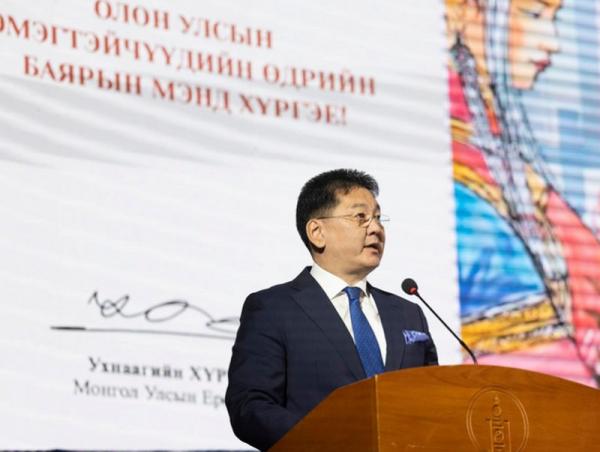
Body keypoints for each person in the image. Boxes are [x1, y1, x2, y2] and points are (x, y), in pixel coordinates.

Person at [225, 169, 438, 451]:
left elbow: (436, 404)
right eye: (360, 217)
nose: (376, 228)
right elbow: (251, 407)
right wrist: (327, 441)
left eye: (378, 217)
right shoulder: (273, 308)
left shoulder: (409, 313)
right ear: (317, 232)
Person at [447, 0, 600, 385]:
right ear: (466, 12)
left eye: (554, 18)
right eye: (533, 14)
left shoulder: (506, 162)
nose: (552, 42)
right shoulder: (463, 181)